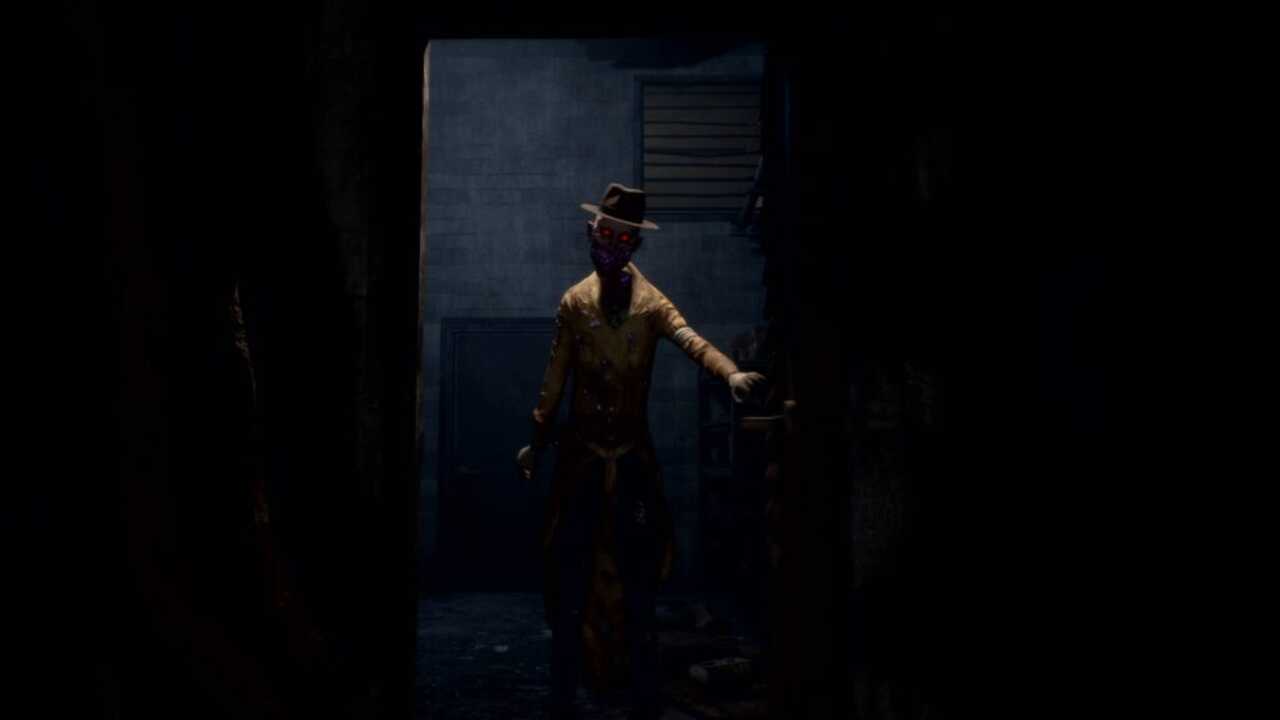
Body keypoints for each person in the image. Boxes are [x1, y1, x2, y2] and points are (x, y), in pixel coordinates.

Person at [516, 183, 766, 720]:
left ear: (634, 245)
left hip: (630, 461)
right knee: (570, 575)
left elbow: (690, 338)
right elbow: (553, 382)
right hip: (582, 460)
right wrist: (537, 444)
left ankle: (642, 693)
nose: (610, 246)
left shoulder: (652, 305)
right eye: (604, 234)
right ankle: (566, 690)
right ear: (591, 233)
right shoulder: (574, 303)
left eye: (622, 238)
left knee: (639, 579)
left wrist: (730, 373)